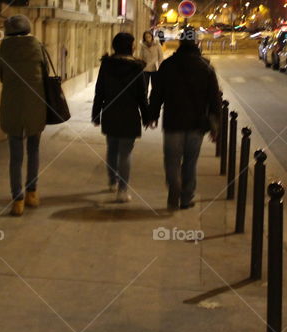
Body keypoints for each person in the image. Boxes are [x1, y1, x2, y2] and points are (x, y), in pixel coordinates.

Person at [148, 26, 221, 210]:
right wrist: (214, 125)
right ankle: (186, 197)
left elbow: (157, 93)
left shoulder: (168, 65)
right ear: (197, 42)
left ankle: (174, 185)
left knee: (171, 160)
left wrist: (152, 115)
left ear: (180, 42)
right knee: (190, 162)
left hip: (173, 121)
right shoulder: (206, 67)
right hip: (197, 123)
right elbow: (214, 99)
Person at [0, 15, 47, 216]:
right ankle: (32, 193)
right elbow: (44, 73)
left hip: (12, 105)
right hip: (35, 104)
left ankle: (17, 200)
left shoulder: (5, 48)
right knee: (33, 150)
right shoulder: (36, 45)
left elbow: (1, 76)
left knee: (15, 156)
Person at [92, 33, 149, 202]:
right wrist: (147, 116)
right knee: (125, 153)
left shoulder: (107, 65)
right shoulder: (137, 68)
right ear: (129, 47)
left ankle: (112, 181)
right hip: (130, 115)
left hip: (110, 113)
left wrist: (96, 114)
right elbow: (142, 96)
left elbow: (99, 91)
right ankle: (122, 191)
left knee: (112, 149)